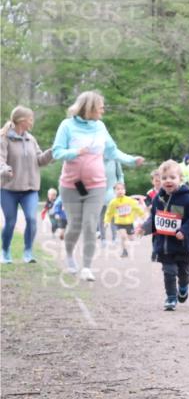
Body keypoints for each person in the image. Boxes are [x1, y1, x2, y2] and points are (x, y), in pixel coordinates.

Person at [51, 91, 144, 281]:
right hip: (72, 185)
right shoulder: (67, 125)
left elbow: (112, 151)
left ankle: (86, 267)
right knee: (75, 225)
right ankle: (69, 257)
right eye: (100, 106)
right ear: (90, 107)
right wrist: (77, 151)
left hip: (96, 185)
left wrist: (132, 160)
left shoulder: (100, 127)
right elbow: (57, 152)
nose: (103, 110)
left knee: (90, 224)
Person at [137, 160, 189, 310]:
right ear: (159, 180)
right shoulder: (157, 199)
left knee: (183, 272)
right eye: (164, 178)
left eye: (172, 177)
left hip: (182, 245)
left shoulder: (186, 199)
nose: (168, 181)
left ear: (180, 179)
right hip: (164, 245)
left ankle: (184, 286)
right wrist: (144, 228)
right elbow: (154, 219)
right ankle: (171, 298)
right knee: (169, 272)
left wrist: (185, 231)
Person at [1, 106, 53, 264]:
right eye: (30, 119)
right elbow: (0, 160)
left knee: (31, 219)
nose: (32, 122)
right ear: (22, 121)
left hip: (30, 189)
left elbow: (40, 160)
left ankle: (28, 251)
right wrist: (5, 169)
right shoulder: (3, 139)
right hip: (8, 189)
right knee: (10, 222)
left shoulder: (31, 139)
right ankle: (5, 251)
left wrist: (52, 152)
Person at [103, 182, 145, 257]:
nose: (120, 191)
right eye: (118, 189)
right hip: (119, 223)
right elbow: (109, 213)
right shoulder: (113, 202)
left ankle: (134, 233)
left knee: (131, 238)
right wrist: (107, 221)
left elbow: (137, 208)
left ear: (125, 190)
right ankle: (124, 251)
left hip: (129, 223)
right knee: (123, 236)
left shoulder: (129, 200)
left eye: (122, 189)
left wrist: (142, 215)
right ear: (114, 191)